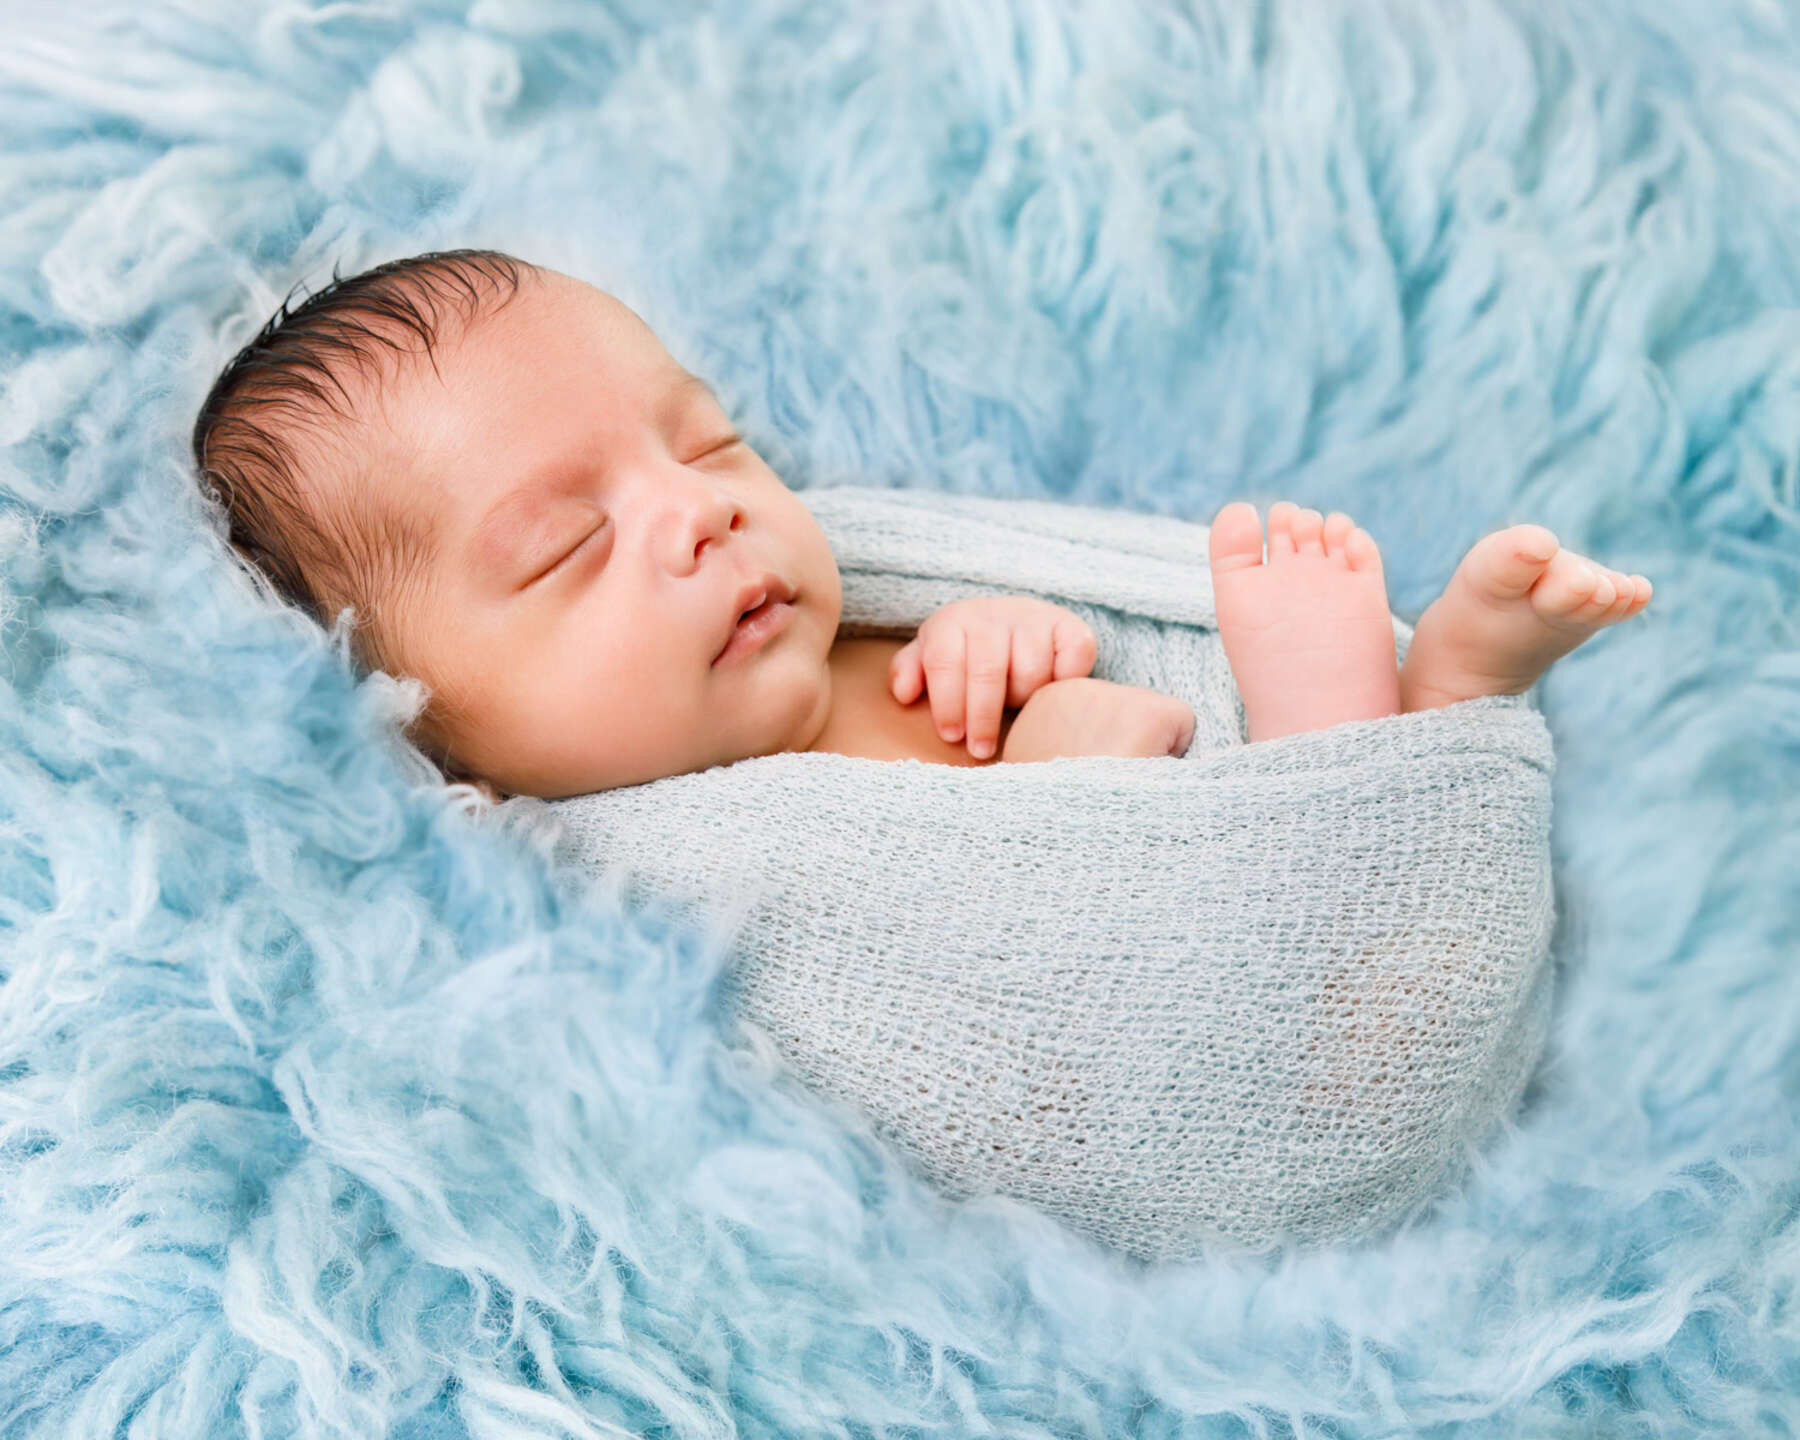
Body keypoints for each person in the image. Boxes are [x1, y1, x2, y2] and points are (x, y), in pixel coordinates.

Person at [192, 249, 1651, 802]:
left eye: (709, 442)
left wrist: (999, 639)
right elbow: (950, 986)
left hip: (1228, 801)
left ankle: (1414, 722)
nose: (701, 510)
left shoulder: (845, 643)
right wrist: (1056, 790)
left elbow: (1011, 660)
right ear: (416, 723)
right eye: (570, 546)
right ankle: (1368, 730)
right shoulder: (635, 870)